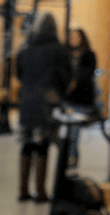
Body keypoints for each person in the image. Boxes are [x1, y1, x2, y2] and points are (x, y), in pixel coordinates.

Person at [15, 12, 72, 202]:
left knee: (26, 145)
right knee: (42, 146)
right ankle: (40, 191)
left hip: (27, 101)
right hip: (47, 102)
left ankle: (22, 190)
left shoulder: (26, 48)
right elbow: (66, 76)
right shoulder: (59, 50)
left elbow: (19, 74)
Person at [64, 28, 97, 167]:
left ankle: (71, 157)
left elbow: (88, 74)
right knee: (69, 131)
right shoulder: (65, 54)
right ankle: (72, 155)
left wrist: (74, 81)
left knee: (74, 130)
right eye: (72, 37)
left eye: (76, 37)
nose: (74, 39)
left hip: (81, 97)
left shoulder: (89, 55)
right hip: (67, 97)